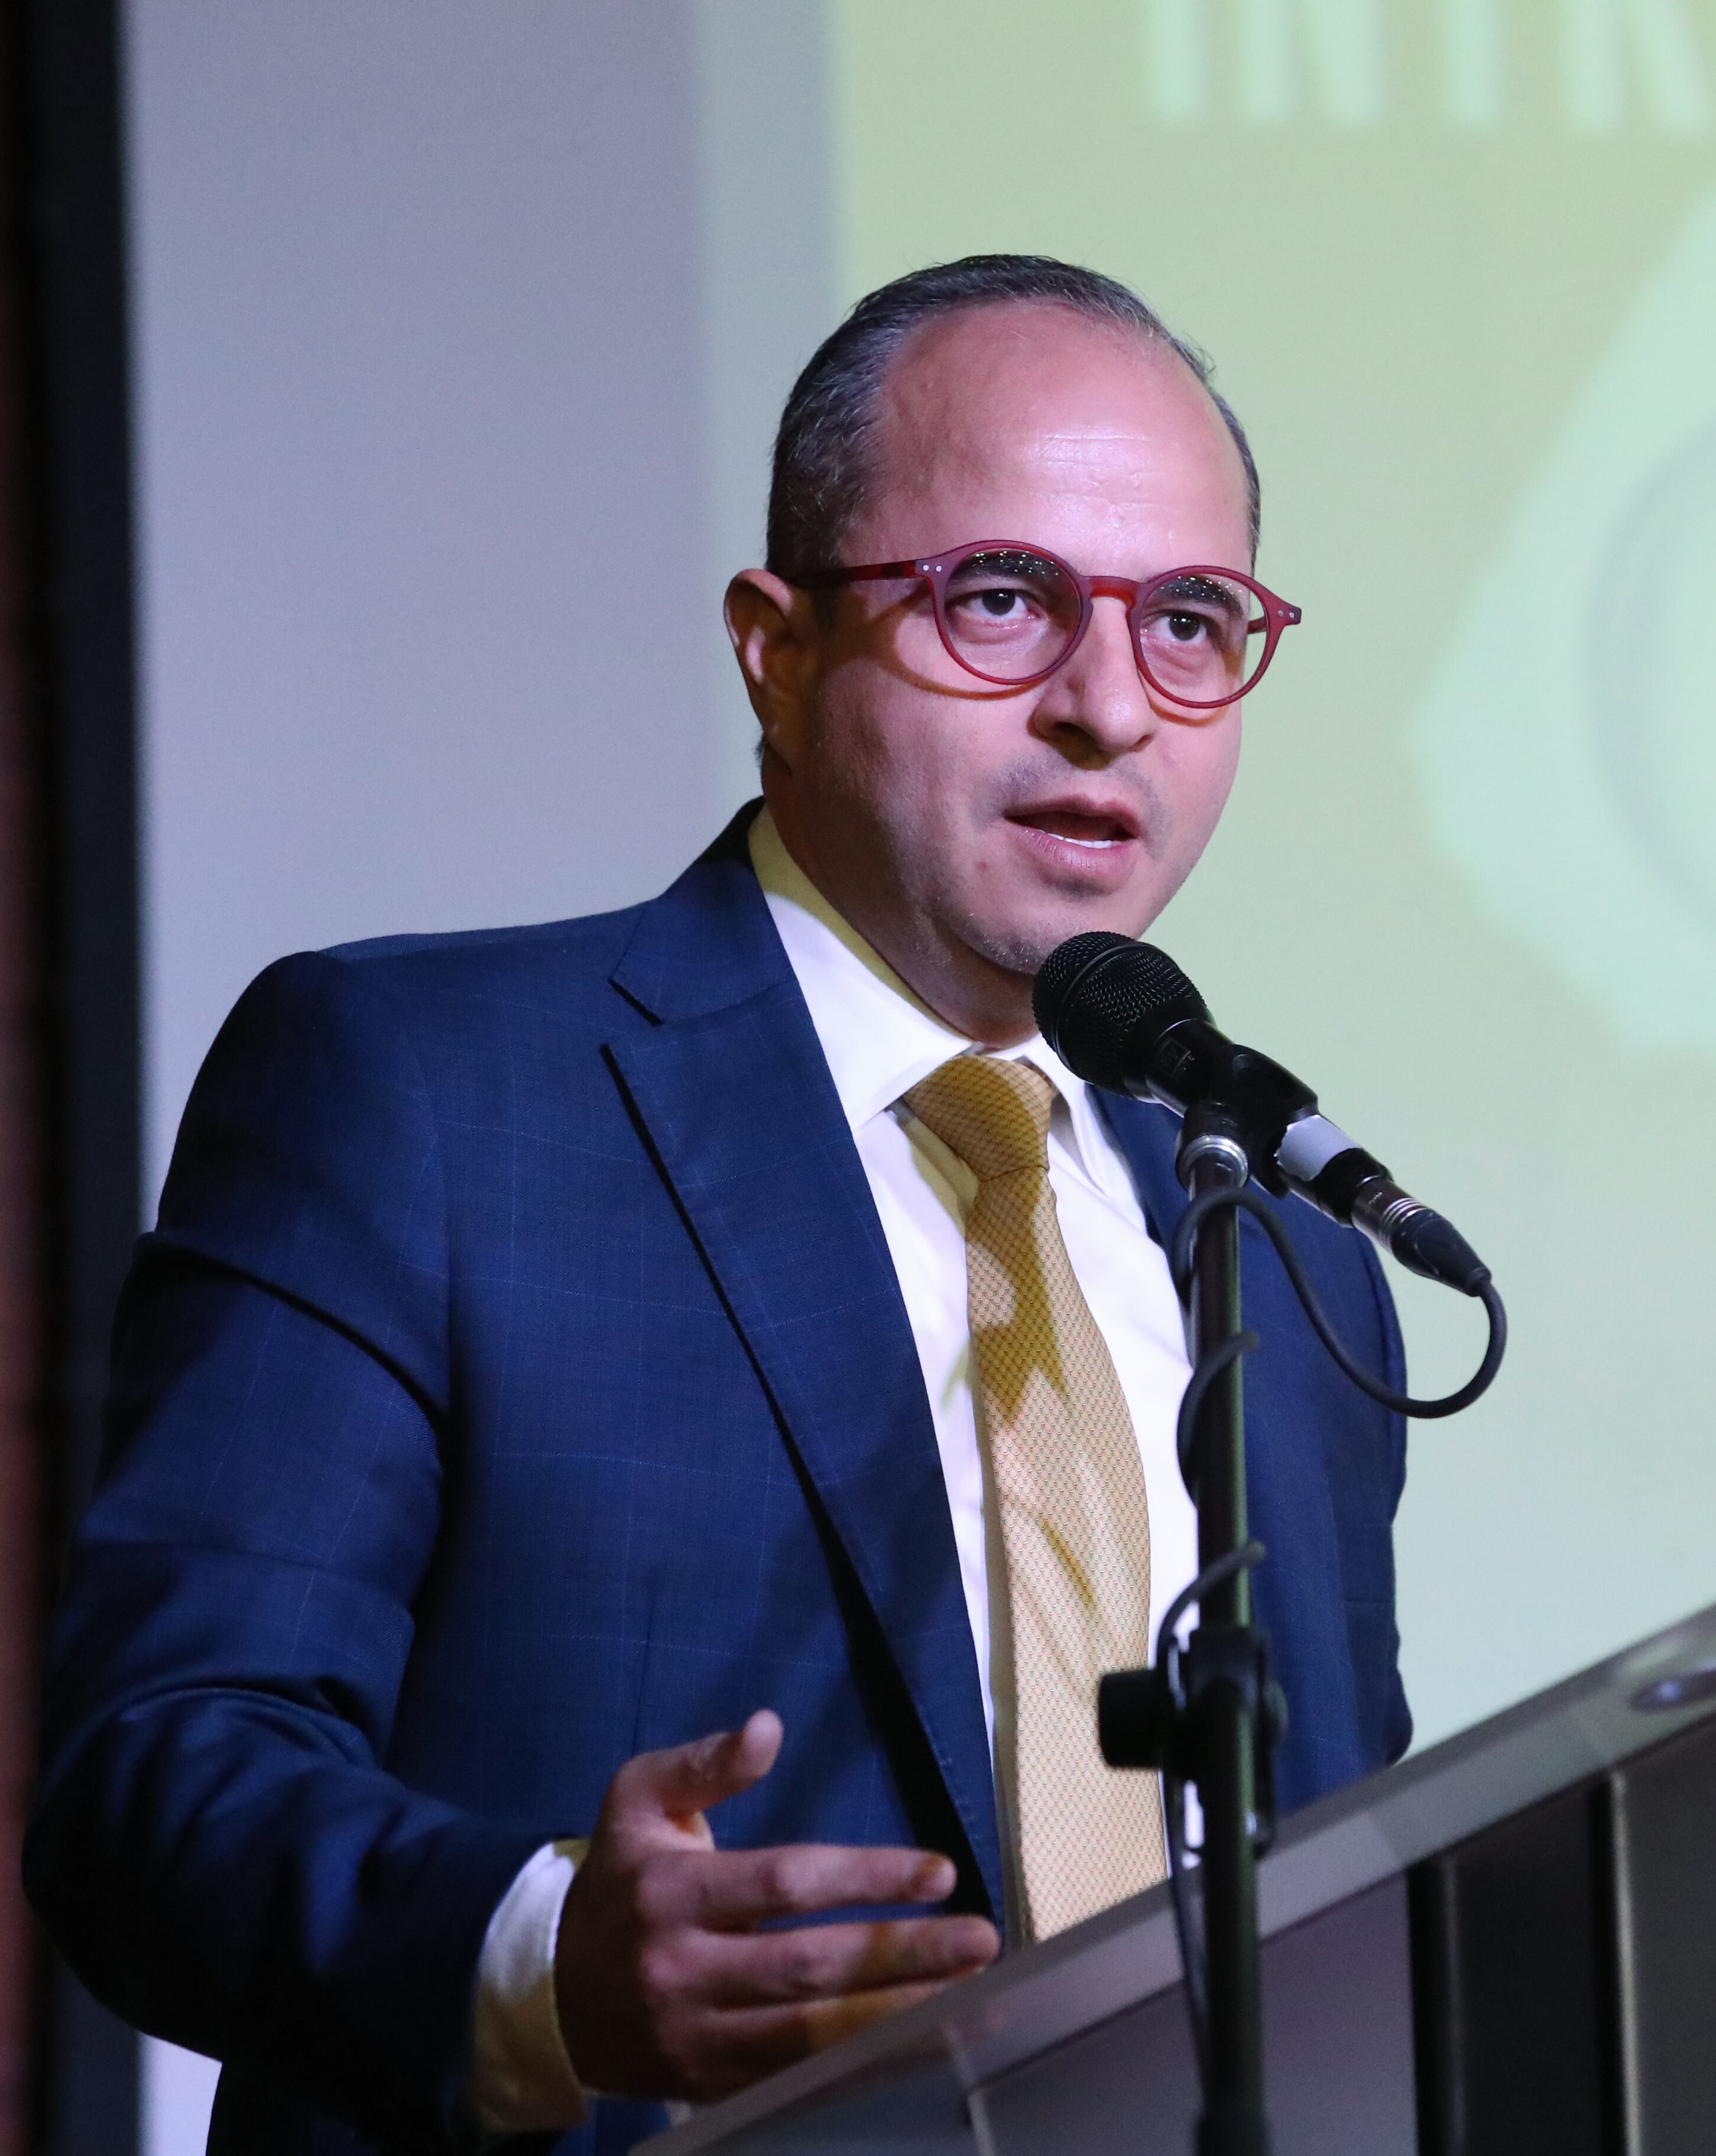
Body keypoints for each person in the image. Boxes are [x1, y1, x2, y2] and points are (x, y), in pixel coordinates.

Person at [25, 256, 1409, 2156]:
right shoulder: (427, 1088)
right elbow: (153, 1779)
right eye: (1001, 602)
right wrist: (537, 1961)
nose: (1111, 708)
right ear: (775, 646)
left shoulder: (1283, 1243)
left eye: (1190, 621)